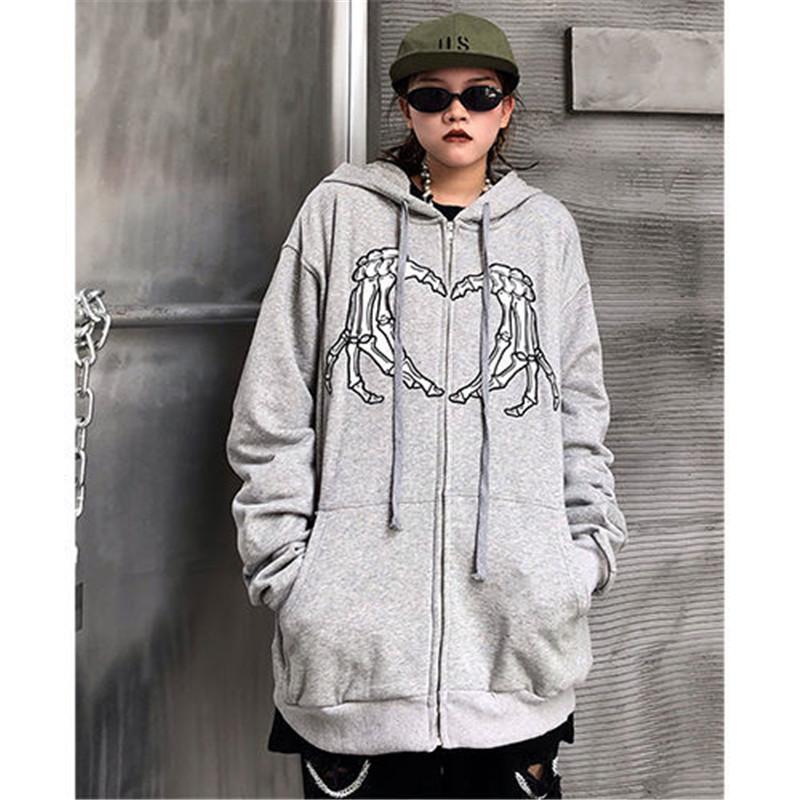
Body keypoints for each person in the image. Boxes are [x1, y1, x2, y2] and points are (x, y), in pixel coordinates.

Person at [225, 11, 628, 799]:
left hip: (514, 663)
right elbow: (270, 408)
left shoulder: (546, 233)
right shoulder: (336, 216)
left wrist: (579, 562)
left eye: (480, 94)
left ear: (507, 109)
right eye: (433, 95)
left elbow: (579, 411)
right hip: (353, 672)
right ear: (406, 108)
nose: (457, 111)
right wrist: (295, 579)